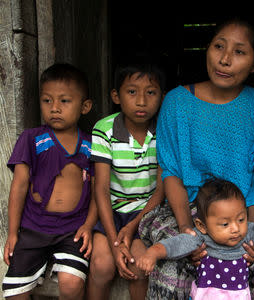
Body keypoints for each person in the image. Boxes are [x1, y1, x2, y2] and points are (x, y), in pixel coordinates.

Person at [139, 18, 254, 299]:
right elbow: (171, 171)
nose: (225, 59)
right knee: (173, 266)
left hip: (243, 211)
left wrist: (253, 231)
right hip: (186, 207)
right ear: (207, 49)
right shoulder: (176, 102)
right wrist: (187, 228)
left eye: (239, 52)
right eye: (219, 47)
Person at [138, 178, 254, 299]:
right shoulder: (200, 239)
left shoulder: (248, 237)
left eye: (241, 219)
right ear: (202, 225)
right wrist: (152, 254)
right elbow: (171, 246)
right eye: (225, 224)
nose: (236, 228)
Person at [1, 63, 97, 300]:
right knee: (15, 293)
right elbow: (19, 186)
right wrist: (13, 232)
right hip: (33, 228)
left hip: (72, 230)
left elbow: (98, 191)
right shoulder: (31, 138)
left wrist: (88, 225)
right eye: (47, 101)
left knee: (72, 284)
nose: (54, 108)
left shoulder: (91, 145)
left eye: (64, 101)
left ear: (85, 106)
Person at [87, 58, 166, 300]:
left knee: (139, 267)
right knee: (102, 267)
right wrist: (115, 241)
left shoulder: (164, 130)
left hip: (147, 216)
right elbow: (100, 188)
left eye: (151, 92)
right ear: (116, 96)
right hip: (112, 213)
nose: (141, 101)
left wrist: (132, 228)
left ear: (162, 96)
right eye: (132, 92)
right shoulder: (104, 129)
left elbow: (161, 190)